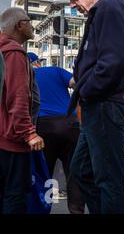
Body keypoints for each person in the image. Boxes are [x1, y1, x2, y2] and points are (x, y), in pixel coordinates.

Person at [65, 0, 124, 214]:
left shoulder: (109, 9)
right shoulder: (108, 9)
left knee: (107, 177)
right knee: (83, 172)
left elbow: (113, 60)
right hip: (99, 104)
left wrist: (87, 90)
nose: (73, 4)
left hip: (104, 104)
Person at [0, 7, 45, 214]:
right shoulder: (15, 52)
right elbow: (17, 97)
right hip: (11, 141)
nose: (32, 25)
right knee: (15, 196)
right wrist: (29, 132)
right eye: (29, 21)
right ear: (19, 25)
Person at [31, 57, 84, 214]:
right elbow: (76, 83)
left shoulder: (27, 74)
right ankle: (77, 211)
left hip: (43, 125)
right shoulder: (55, 70)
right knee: (74, 173)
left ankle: (44, 209)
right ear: (37, 63)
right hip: (69, 124)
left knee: (44, 174)